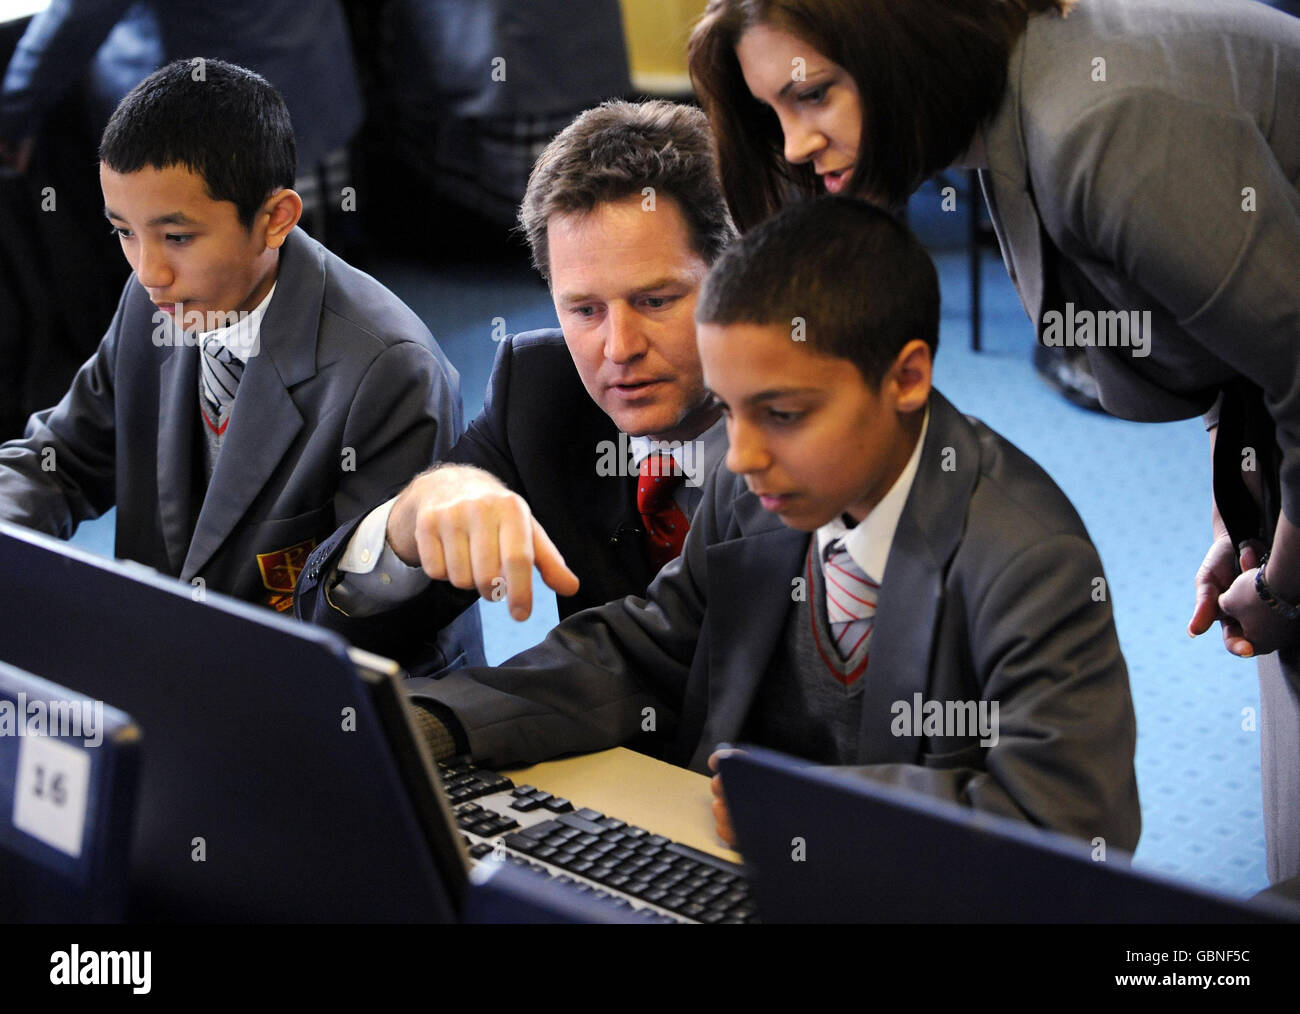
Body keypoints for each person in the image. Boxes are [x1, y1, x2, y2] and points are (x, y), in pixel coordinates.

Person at [689, 0, 1300, 883]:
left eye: (814, 94)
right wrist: (1239, 503)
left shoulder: (1098, 123)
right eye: (776, 112)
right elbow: (1245, 341)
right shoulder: (1025, 103)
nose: (792, 144)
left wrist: (1284, 584)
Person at [395, 197, 1141, 852]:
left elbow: (1068, 825)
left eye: (783, 415)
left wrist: (814, 810)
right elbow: (646, 650)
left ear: (907, 379)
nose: (743, 456)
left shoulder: (1029, 561)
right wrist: (438, 721)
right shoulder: (758, 482)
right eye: (730, 408)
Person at [0, 59, 481, 671]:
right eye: (124, 232)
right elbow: (62, 461)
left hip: (323, 703)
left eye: (177, 238)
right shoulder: (158, 301)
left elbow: (369, 616)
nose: (148, 272)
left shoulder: (388, 370)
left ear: (276, 218)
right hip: (174, 669)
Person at [295, 101, 736, 671]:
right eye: (584, 310)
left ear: (738, 279)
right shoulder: (538, 395)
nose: (619, 347)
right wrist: (406, 523)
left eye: (655, 301)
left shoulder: (820, 428)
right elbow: (339, 635)